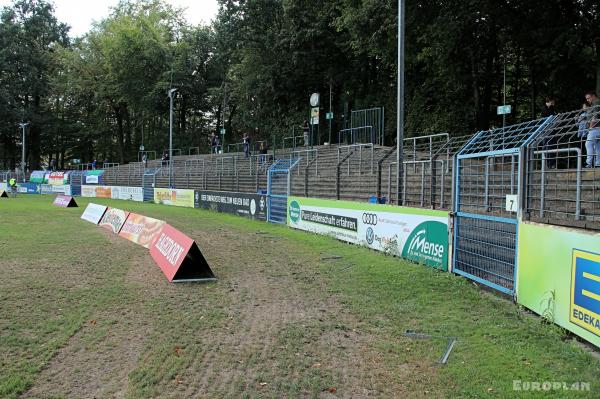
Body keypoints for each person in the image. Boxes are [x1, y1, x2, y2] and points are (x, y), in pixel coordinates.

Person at [541, 98, 558, 168]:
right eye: (552, 103)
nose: (553, 104)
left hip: (552, 130)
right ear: (548, 102)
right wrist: (551, 107)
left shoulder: (553, 109)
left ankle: (552, 163)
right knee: (546, 146)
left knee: (553, 146)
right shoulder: (545, 109)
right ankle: (547, 164)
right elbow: (547, 115)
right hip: (546, 130)